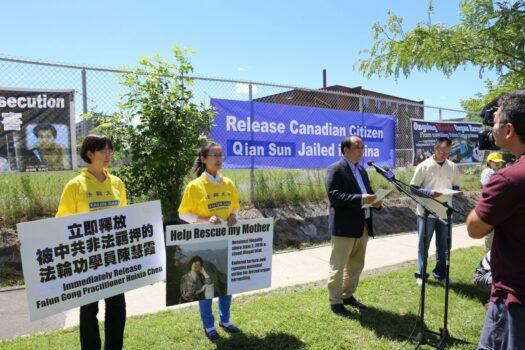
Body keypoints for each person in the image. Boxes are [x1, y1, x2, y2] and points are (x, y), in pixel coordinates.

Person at [466, 90, 525, 350]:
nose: (491, 128)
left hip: (515, 299)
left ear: (509, 130)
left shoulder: (508, 179)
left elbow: (474, 228)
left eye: (495, 121)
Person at [57, 134, 127, 350]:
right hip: (87, 259)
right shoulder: (75, 185)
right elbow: (60, 223)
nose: (109, 155)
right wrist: (32, 243)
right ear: (89, 153)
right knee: (88, 311)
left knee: (117, 307)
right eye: (103, 151)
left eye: (110, 150)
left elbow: (126, 218)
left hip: (113, 257)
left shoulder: (117, 183)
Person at [178, 141, 241, 341]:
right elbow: (183, 214)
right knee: (206, 285)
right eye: (214, 155)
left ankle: (226, 320)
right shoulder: (195, 186)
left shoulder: (228, 183)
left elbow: (235, 207)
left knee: (225, 282)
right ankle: (208, 325)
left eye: (221, 155)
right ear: (204, 159)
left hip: (225, 241)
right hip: (204, 245)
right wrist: (204, 220)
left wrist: (233, 216)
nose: (218, 159)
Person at [325, 135, 382, 317]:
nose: (361, 150)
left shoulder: (362, 170)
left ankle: (347, 295)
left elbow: (369, 193)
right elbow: (334, 196)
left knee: (356, 265)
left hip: (362, 225)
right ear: (345, 150)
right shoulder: (335, 169)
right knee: (338, 265)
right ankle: (335, 302)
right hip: (344, 226)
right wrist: (360, 199)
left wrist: (376, 202)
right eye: (357, 147)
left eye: (362, 147)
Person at [410, 137, 461, 286]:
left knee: (444, 246)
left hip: (445, 212)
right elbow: (413, 188)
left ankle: (440, 274)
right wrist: (430, 192)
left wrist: (456, 192)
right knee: (424, 246)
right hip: (426, 213)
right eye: (441, 151)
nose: (444, 155)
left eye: (447, 153)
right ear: (434, 148)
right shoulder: (424, 166)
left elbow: (456, 186)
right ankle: (421, 274)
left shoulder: (452, 166)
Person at [479, 152, 505, 251]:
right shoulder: (488, 172)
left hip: (497, 204)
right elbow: (489, 189)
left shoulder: (497, 171)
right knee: (491, 232)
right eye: (495, 162)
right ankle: (489, 255)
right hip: (491, 204)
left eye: (499, 162)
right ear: (489, 162)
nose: (498, 164)